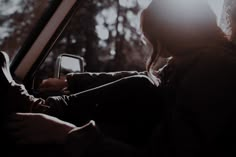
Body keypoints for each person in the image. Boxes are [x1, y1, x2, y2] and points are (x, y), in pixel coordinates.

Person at [1, 0, 236, 156]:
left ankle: (36, 107)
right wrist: (72, 81)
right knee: (143, 85)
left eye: (151, 38)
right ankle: (40, 107)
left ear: (173, 35)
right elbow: (139, 79)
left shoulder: (213, 71)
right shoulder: (197, 62)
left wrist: (67, 134)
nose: (147, 43)